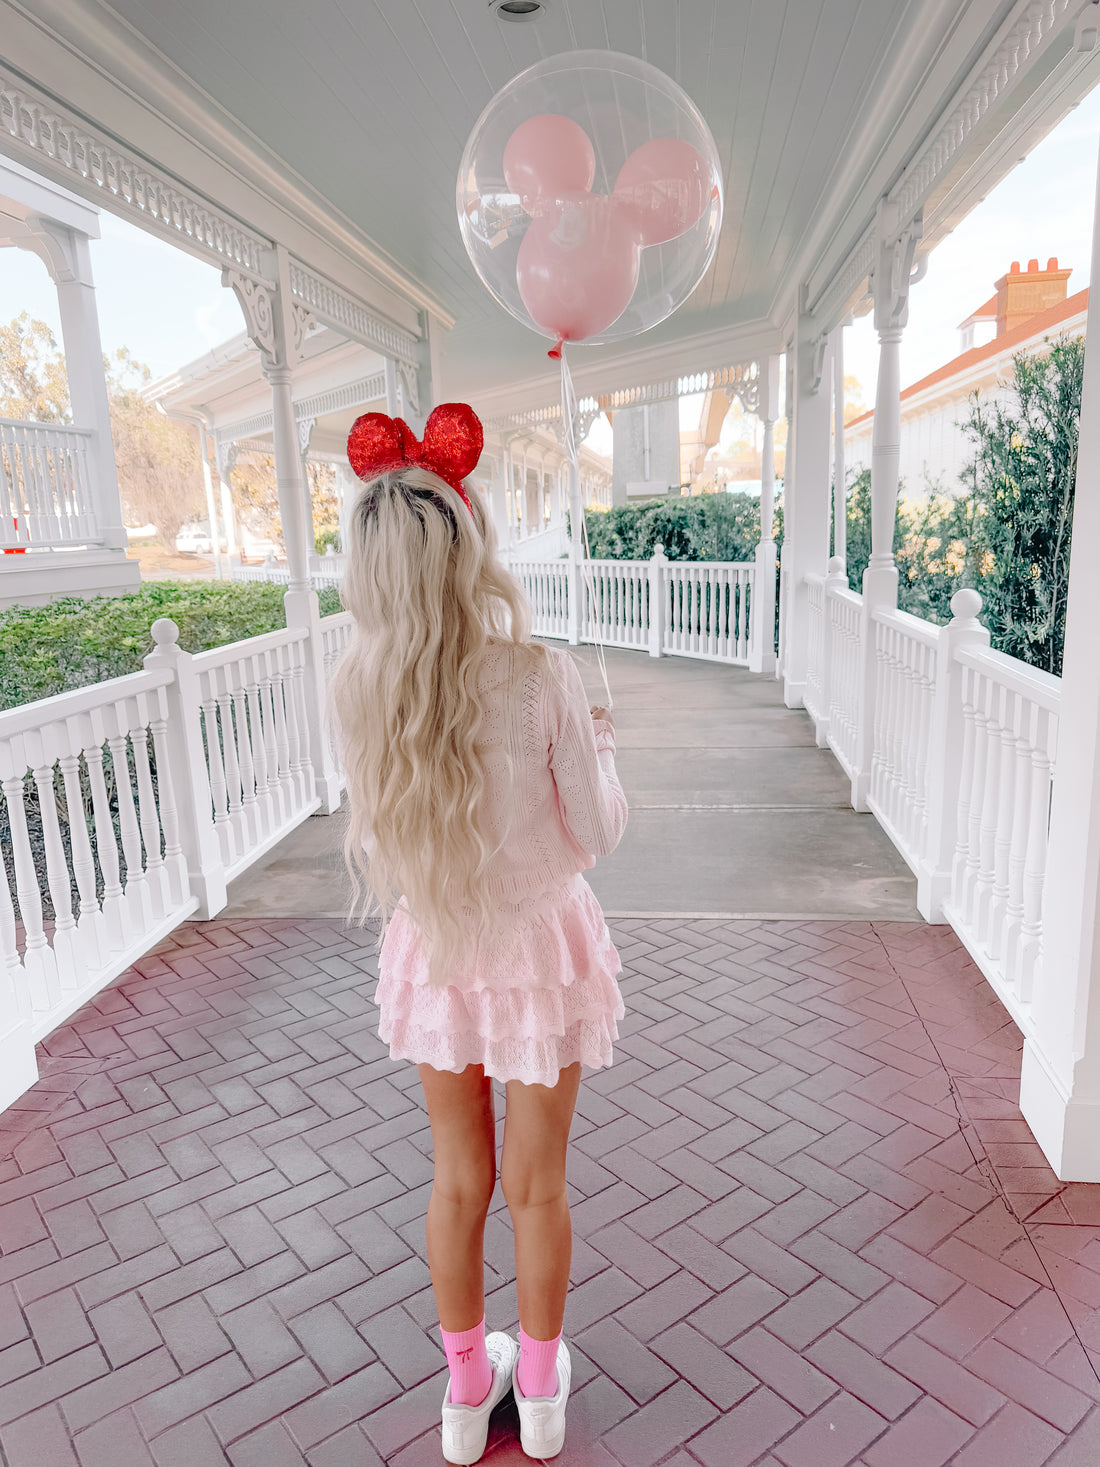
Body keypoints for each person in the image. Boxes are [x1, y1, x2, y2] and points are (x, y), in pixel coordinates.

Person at [331, 404, 628, 1464]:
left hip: (443, 954)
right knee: (538, 1184)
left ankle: (467, 1397)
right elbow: (591, 837)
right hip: (540, 954)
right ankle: (538, 1396)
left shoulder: (364, 691)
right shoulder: (538, 672)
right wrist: (600, 749)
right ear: (471, 544)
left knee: (458, 1181)